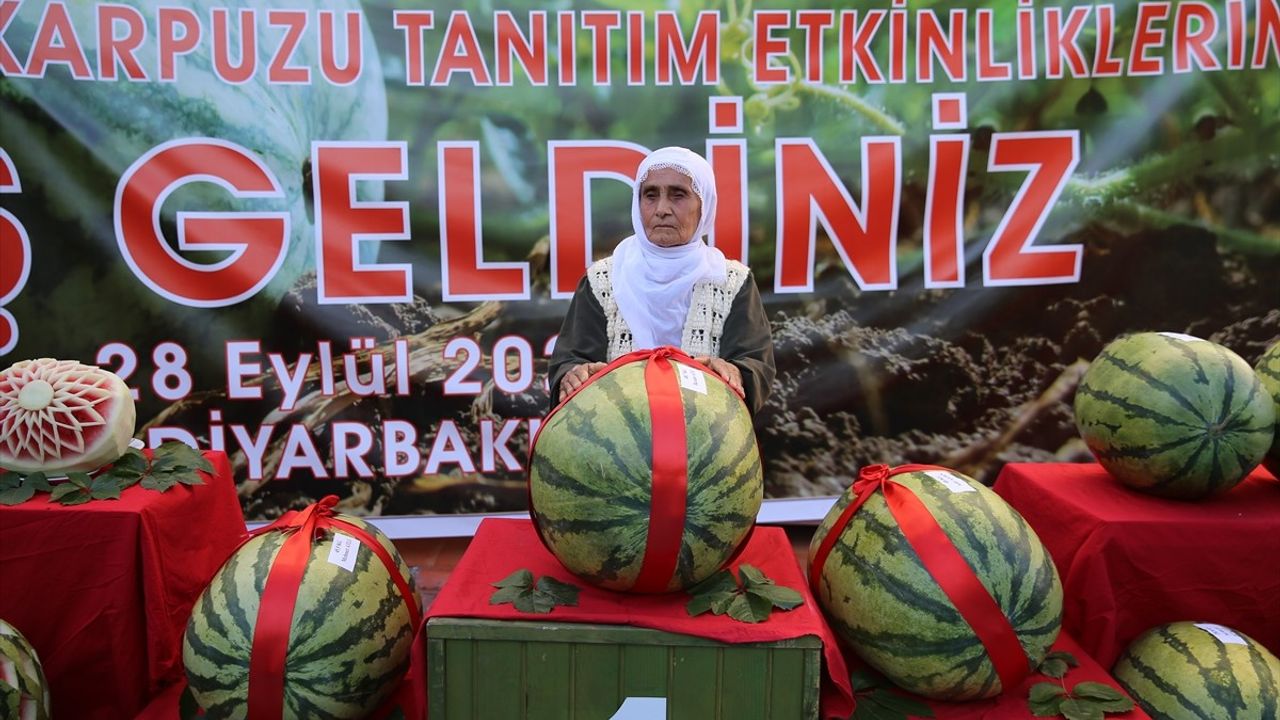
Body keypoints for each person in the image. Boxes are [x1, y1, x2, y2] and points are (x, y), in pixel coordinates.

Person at [547, 146, 776, 414]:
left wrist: (735, 373)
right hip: (619, 443)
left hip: (706, 441)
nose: (662, 209)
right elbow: (570, 362)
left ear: (705, 205)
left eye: (678, 195)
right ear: (637, 202)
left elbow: (756, 365)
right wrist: (574, 375)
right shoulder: (602, 280)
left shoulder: (732, 282)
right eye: (650, 195)